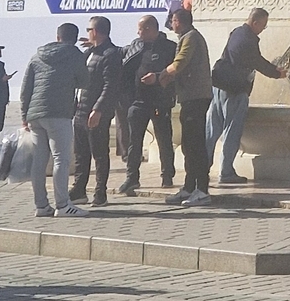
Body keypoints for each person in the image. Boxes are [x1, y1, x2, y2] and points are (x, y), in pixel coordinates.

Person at [19, 22, 89, 219]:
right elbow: (85, 81)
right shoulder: (75, 54)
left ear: (57, 37)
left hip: (35, 115)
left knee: (39, 161)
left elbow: (26, 88)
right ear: (75, 38)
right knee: (61, 159)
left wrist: (24, 115)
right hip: (59, 113)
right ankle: (63, 205)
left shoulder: (37, 56)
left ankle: (41, 206)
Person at [207, 8, 283, 186]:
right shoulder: (248, 40)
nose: (263, 29)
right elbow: (257, 61)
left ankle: (202, 167)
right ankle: (226, 171)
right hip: (234, 90)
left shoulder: (237, 33)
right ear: (255, 23)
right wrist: (277, 73)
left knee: (211, 130)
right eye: (263, 25)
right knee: (232, 131)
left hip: (219, 86)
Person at [119, 15, 177, 194]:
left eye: (142, 29)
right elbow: (122, 60)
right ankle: (132, 178)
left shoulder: (169, 47)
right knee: (134, 141)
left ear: (150, 29)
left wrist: (157, 77)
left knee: (164, 139)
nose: (139, 33)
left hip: (160, 100)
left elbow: (176, 71)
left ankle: (167, 175)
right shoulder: (136, 46)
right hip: (138, 101)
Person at [71, 15, 124, 207]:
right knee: (80, 153)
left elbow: (111, 85)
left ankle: (100, 192)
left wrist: (98, 109)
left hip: (96, 112)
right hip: (80, 110)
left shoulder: (110, 54)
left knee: (99, 153)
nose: (86, 33)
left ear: (95, 31)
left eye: (88, 30)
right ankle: (79, 189)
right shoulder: (89, 53)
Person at [164, 4, 212, 205]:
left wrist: (161, 75)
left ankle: (202, 189)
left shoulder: (191, 37)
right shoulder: (188, 37)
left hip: (196, 97)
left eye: (173, 20)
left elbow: (180, 62)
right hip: (189, 97)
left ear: (179, 22)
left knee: (195, 144)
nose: (171, 24)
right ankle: (189, 187)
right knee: (188, 144)